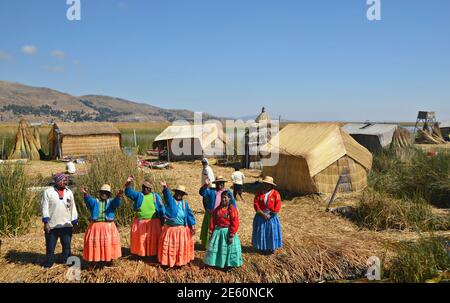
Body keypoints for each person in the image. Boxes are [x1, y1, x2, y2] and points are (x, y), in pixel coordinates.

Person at [41, 173, 78, 268]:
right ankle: (49, 263)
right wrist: (46, 222)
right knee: (50, 246)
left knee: (66, 246)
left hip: (66, 225)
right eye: (63, 180)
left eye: (66, 180)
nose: (65, 182)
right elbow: (44, 207)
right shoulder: (48, 192)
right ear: (57, 181)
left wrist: (74, 222)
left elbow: (73, 208)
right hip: (52, 225)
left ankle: (66, 261)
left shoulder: (69, 192)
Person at [81, 184, 123, 265]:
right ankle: (97, 260)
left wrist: (118, 196)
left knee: (108, 243)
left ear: (109, 195)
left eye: (106, 193)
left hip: (108, 226)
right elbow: (89, 201)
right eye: (103, 192)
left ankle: (108, 259)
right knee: (96, 244)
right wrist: (86, 194)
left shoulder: (111, 202)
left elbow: (116, 203)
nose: (104, 194)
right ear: (100, 193)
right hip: (96, 227)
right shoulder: (95, 202)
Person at [125, 176, 164, 257]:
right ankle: (141, 253)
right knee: (141, 239)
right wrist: (128, 184)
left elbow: (161, 207)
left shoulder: (155, 196)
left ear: (150, 189)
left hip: (153, 222)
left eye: (148, 188)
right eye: (144, 187)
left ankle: (152, 254)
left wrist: (163, 218)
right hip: (141, 222)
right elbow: (129, 193)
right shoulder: (139, 195)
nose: (145, 189)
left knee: (152, 239)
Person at [158, 181, 196, 267]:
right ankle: (169, 262)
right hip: (171, 229)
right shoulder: (171, 201)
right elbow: (167, 196)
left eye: (181, 193)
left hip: (182, 230)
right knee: (171, 247)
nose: (179, 194)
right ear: (175, 193)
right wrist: (165, 187)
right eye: (178, 192)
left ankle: (180, 262)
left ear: (183, 195)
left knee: (180, 247)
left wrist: (192, 226)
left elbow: (190, 216)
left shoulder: (185, 204)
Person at [204, 190, 242, 269]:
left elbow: (235, 222)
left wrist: (231, 235)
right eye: (222, 198)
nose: (223, 200)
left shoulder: (232, 210)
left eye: (225, 198)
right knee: (218, 249)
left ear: (229, 198)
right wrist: (211, 231)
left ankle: (228, 265)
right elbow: (213, 220)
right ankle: (217, 263)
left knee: (228, 249)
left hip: (228, 232)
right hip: (218, 231)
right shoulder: (217, 209)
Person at [199, 176, 237, 249]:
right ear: (215, 184)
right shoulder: (211, 191)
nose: (220, 184)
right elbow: (202, 193)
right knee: (210, 230)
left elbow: (233, 204)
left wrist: (232, 213)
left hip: (224, 216)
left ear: (224, 183)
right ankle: (209, 246)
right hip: (211, 215)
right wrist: (205, 185)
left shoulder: (228, 192)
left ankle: (220, 246)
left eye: (222, 183)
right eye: (218, 183)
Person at [252, 176, 283, 254]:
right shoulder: (259, 193)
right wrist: (262, 214)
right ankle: (263, 247)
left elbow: (278, 204)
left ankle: (273, 247)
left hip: (271, 217)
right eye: (265, 184)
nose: (266, 185)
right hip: (261, 216)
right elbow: (256, 204)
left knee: (272, 232)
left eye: (268, 184)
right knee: (262, 232)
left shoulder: (275, 193)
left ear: (271, 185)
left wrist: (272, 214)